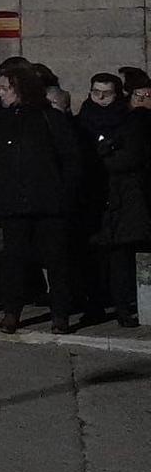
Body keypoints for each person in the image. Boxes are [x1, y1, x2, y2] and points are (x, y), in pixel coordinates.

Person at [0, 65, 83, 335]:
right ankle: (11, 312)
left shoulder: (50, 118)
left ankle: (60, 315)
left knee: (57, 260)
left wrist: (63, 193)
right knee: (13, 260)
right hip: (12, 205)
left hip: (49, 204)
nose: (0, 94)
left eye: (6, 88)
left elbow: (71, 160)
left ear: (22, 89)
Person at [78, 73, 145, 329]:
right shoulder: (83, 120)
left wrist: (100, 157)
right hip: (93, 199)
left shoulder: (129, 122)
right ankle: (93, 306)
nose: (102, 98)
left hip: (121, 199)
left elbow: (130, 158)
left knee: (120, 258)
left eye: (107, 93)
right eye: (96, 92)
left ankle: (122, 308)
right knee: (92, 257)